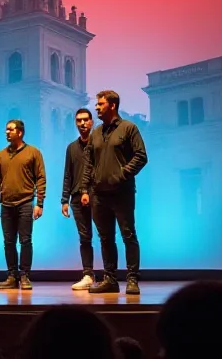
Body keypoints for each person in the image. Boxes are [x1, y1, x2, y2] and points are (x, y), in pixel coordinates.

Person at [79, 90, 148, 295]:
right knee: (105, 238)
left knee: (128, 235)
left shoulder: (129, 128)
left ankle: (132, 279)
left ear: (112, 105)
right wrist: (85, 189)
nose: (97, 107)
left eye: (100, 104)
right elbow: (88, 163)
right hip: (99, 195)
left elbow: (141, 156)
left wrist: (123, 174)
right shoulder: (97, 133)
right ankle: (110, 279)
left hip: (122, 193)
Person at [0, 119, 46, 290]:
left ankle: (24, 276)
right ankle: (12, 275)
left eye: (10, 130)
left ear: (20, 132)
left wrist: (40, 202)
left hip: (26, 202)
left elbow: (41, 178)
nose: (7, 132)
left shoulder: (33, 152)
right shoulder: (1, 155)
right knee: (8, 242)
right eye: (6, 130)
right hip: (6, 204)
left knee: (25, 240)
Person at [62, 108, 96, 290]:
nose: (82, 123)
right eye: (78, 120)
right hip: (76, 197)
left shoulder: (99, 144)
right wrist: (64, 200)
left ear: (91, 122)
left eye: (85, 120)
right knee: (84, 238)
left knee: (106, 236)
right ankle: (88, 274)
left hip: (98, 196)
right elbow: (67, 174)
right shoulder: (71, 148)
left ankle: (110, 275)